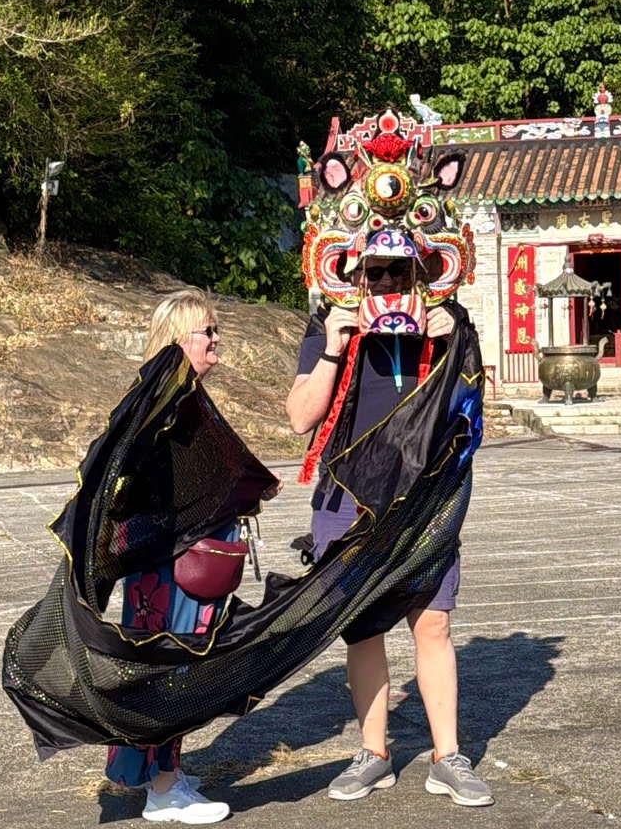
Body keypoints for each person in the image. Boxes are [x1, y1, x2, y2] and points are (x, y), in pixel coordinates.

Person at [286, 256, 494, 808]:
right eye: (373, 272)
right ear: (353, 277)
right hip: (348, 499)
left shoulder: (450, 323)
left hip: (423, 499)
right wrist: (333, 344)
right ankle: (374, 753)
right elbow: (301, 418)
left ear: (421, 274)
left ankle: (446, 755)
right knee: (361, 628)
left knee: (433, 624)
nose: (385, 283)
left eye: (398, 272)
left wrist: (456, 345)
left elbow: (472, 417)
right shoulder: (328, 325)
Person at [103, 288, 280, 824]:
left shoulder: (164, 394)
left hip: (163, 564)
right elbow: (198, 477)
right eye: (207, 331)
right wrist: (251, 487)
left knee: (164, 665)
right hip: (173, 565)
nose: (216, 340)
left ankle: (162, 773)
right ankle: (163, 792)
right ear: (180, 337)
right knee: (175, 668)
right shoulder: (174, 400)